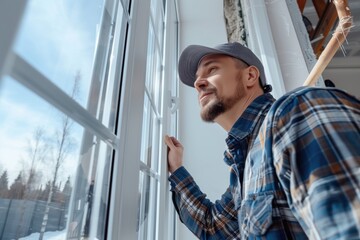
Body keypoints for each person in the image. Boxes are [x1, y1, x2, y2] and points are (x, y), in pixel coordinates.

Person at [164, 42, 360, 239]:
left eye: (212, 69)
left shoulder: (296, 111)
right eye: (197, 79)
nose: (198, 84)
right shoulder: (245, 167)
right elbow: (213, 228)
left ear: (250, 76)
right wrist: (177, 169)